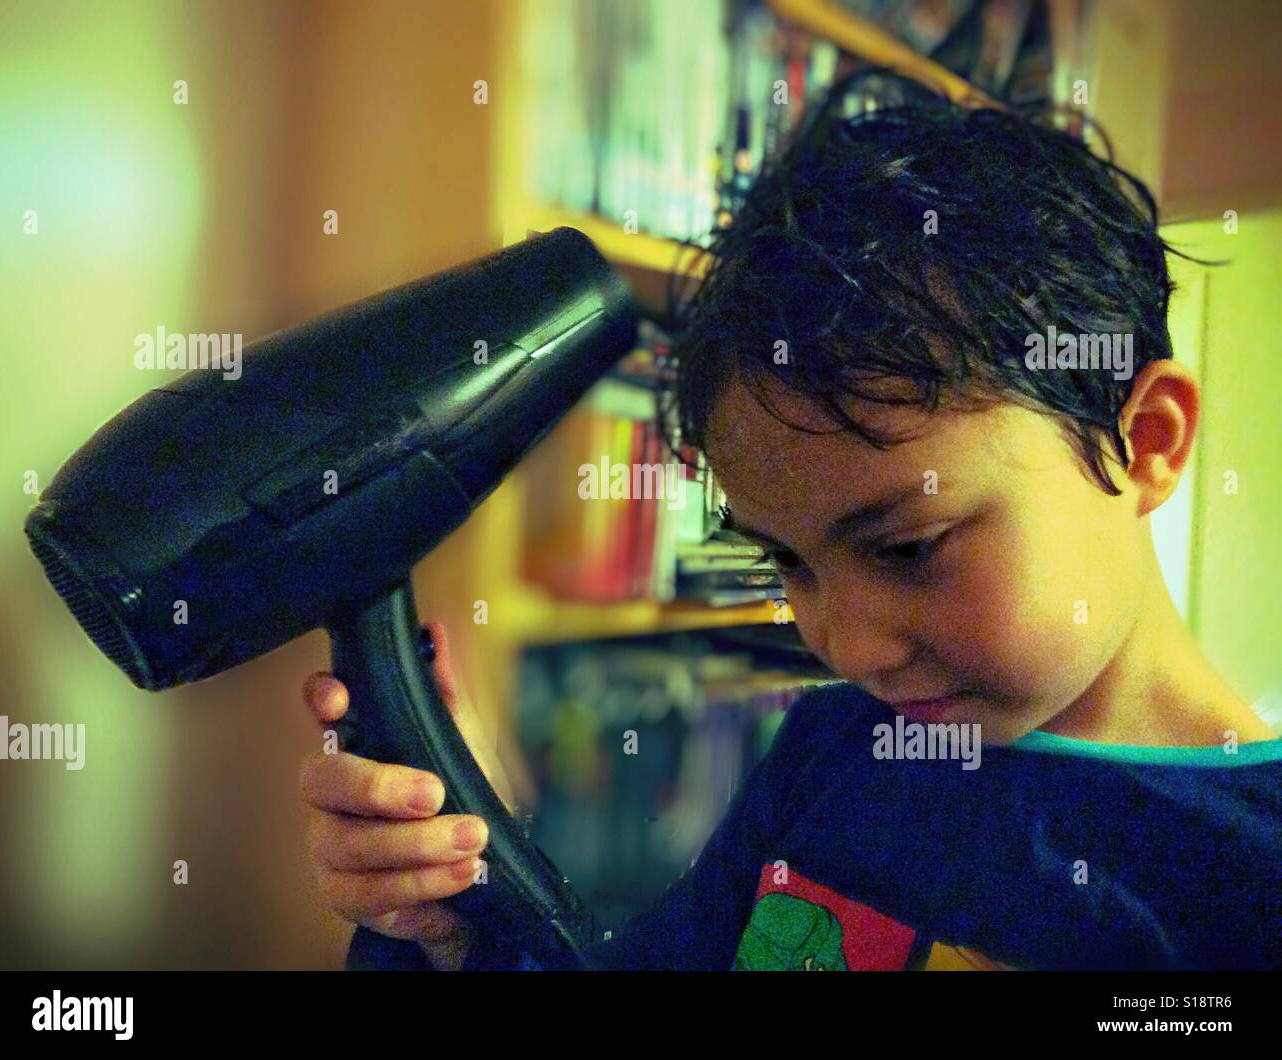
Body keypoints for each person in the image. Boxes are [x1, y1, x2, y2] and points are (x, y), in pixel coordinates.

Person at [298, 70, 1281, 971]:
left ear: (1144, 441)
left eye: (909, 546)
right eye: (790, 563)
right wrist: (463, 911)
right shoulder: (829, 749)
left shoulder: (1249, 879)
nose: (846, 645)